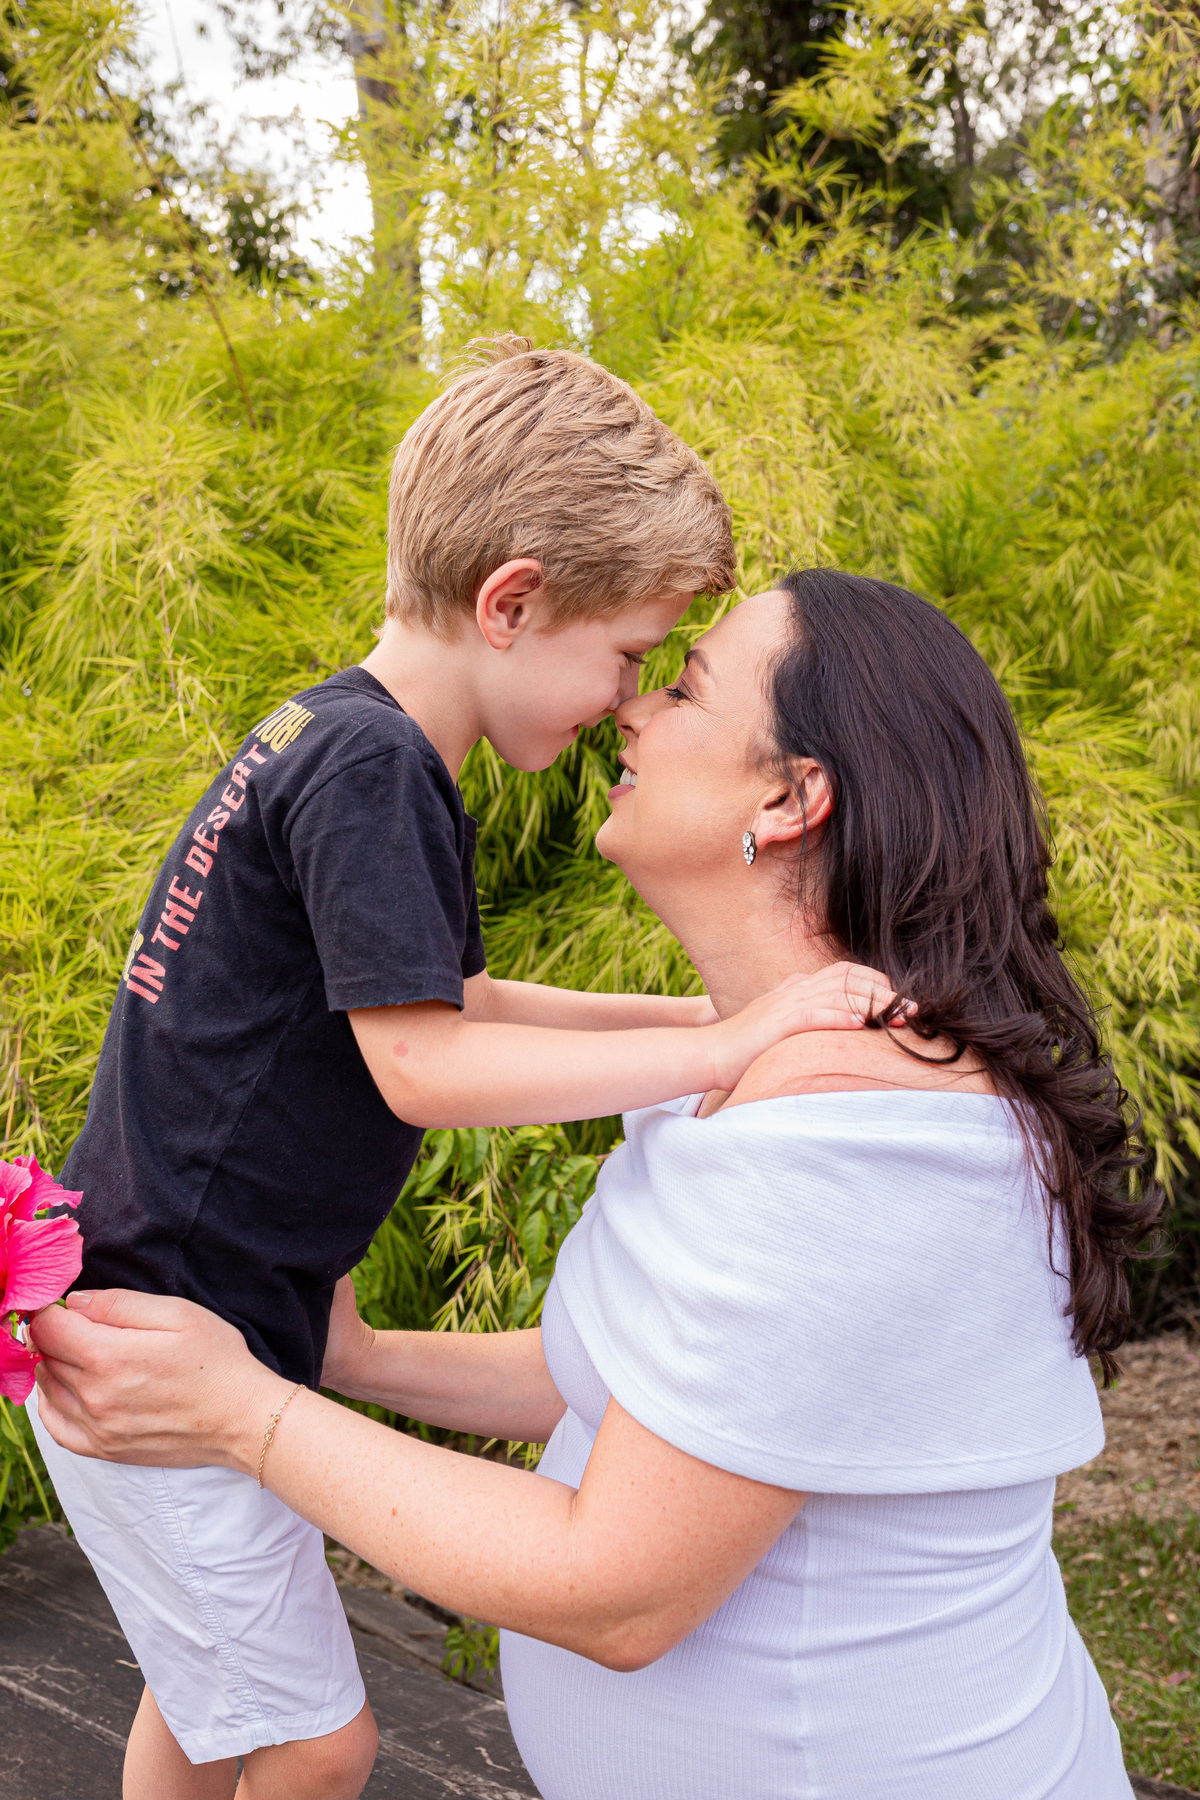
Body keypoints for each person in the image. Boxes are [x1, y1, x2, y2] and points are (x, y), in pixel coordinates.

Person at [33, 570, 1159, 1800]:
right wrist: (351, 1357)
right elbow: (647, 1398)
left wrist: (241, 1413)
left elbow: (617, 1590)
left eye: (684, 685)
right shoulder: (746, 1058)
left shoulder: (867, 1150)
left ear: (790, 797)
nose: (631, 706)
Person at [27, 346, 898, 1800]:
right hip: (173, 1350)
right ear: (512, 602)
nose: (623, 704)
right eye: (626, 656)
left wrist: (676, 1020)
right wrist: (728, 1044)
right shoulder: (378, 774)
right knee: (317, 1745)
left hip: (156, 1304)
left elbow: (460, 997)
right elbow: (425, 1064)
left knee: (214, 1699)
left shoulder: (324, 729)